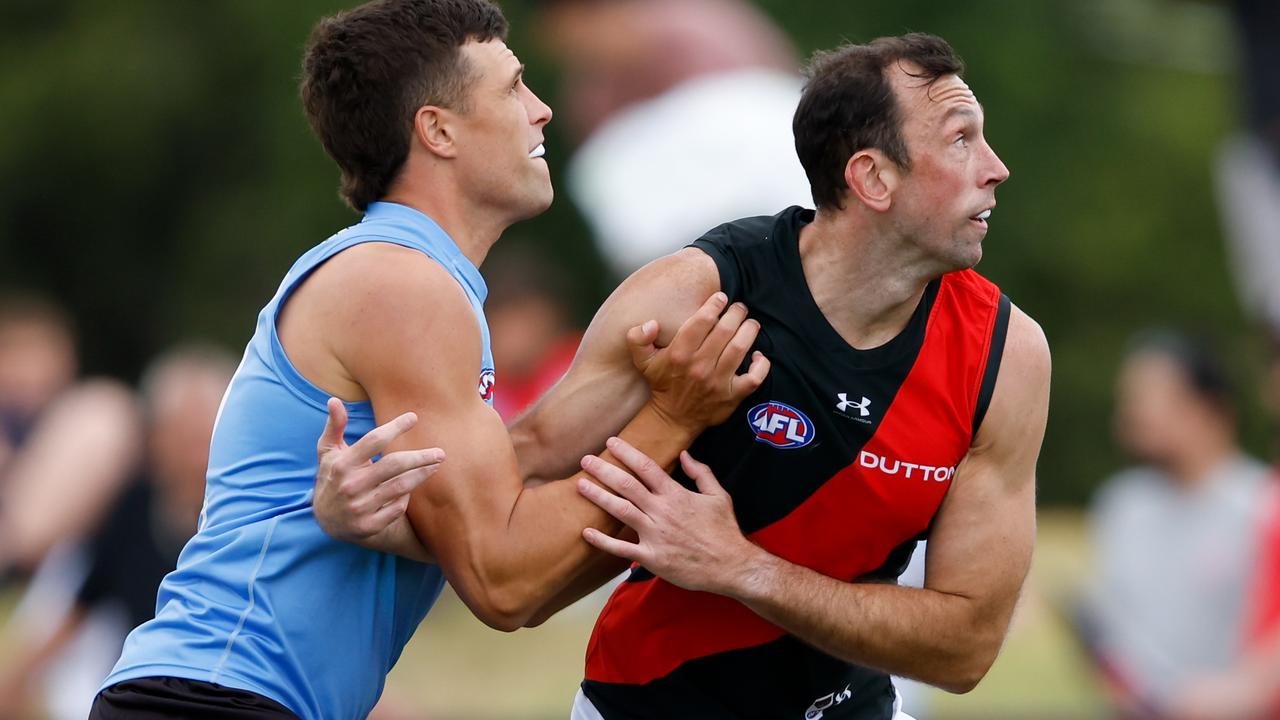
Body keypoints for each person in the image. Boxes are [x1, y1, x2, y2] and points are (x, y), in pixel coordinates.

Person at [320, 32, 1050, 720]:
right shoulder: (696, 299)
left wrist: (741, 567)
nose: (997, 166)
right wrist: (366, 518)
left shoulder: (1006, 356)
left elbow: (965, 647)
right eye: (962, 139)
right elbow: (511, 492)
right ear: (873, 177)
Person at [91, 1, 766, 718]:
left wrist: (662, 403)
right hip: (209, 701)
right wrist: (672, 420)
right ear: (437, 130)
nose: (541, 111)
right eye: (512, 88)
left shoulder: (407, 275)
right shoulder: (401, 283)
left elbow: (525, 457)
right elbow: (504, 582)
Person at [0, 344, 235, 720]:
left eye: (203, 433)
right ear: (156, 438)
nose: (195, 452)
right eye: (182, 434)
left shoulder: (242, 523)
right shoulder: (135, 506)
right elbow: (82, 601)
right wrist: (17, 679)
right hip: (136, 688)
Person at [1079, 331, 1271, 718]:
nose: (1133, 412)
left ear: (1209, 408)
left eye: (1150, 396)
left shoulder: (1262, 505)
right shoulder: (1121, 505)